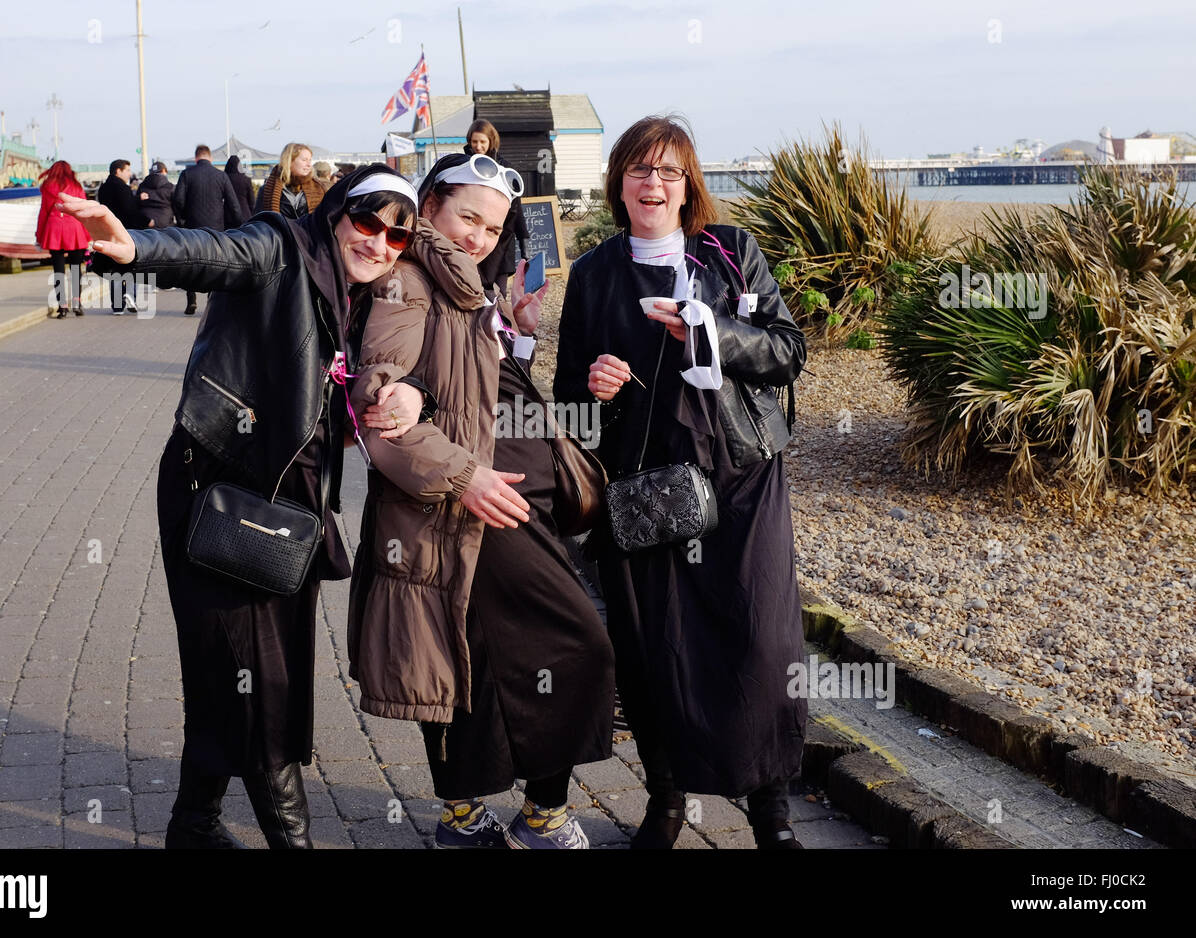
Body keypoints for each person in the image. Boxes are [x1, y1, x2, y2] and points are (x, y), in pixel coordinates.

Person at [60, 165, 429, 849]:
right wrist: (138, 247)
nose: (379, 243)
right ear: (339, 212)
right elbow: (217, 254)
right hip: (224, 495)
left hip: (287, 510)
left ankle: (193, 824)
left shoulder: (357, 296)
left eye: (396, 237)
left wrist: (413, 397)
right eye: (368, 222)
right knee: (262, 683)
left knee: (231, 670)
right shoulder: (283, 247)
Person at [552, 115, 809, 849]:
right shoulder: (597, 272)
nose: (653, 183)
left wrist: (712, 333)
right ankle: (665, 803)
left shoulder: (731, 254)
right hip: (644, 487)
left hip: (740, 476)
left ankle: (773, 814)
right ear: (619, 184)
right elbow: (570, 391)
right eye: (639, 169)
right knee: (651, 646)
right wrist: (594, 386)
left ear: (688, 183)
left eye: (668, 171)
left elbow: (788, 352)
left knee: (761, 641)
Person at [347, 152, 615, 850]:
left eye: (493, 229)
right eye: (468, 217)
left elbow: (470, 391)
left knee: (474, 654)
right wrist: (467, 476)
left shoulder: (464, 283)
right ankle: (545, 816)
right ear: (428, 207)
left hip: (507, 504)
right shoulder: (408, 282)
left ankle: (462, 815)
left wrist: (517, 336)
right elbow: (380, 412)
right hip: (476, 511)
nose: (479, 237)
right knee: (577, 639)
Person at [171, 144, 243, 315]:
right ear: (210, 157)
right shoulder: (221, 175)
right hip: (216, 228)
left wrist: (182, 220)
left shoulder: (187, 174)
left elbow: (178, 200)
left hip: (191, 227)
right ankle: (212, 300)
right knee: (214, 263)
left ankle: (191, 300)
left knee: (190, 263)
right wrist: (239, 225)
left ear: (196, 158)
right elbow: (233, 204)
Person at [464, 119, 529, 296]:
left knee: (498, 296)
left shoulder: (506, 169)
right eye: (474, 141)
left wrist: (525, 245)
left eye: (482, 142)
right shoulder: (463, 166)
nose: (478, 146)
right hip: (472, 238)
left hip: (501, 240)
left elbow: (517, 209)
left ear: (491, 141)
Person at [96, 159, 152, 314]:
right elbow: (129, 210)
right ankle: (131, 295)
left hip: (109, 233)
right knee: (132, 264)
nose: (129, 173)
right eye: (127, 170)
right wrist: (147, 221)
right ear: (118, 171)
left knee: (114, 268)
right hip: (126, 232)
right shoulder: (122, 188)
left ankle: (117, 305)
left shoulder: (103, 188)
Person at [34, 160, 88, 319]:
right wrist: (88, 236)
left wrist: (39, 236)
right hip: (74, 228)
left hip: (54, 227)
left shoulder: (47, 187)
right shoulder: (76, 186)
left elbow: (43, 213)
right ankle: (77, 303)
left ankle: (62, 306)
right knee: (76, 268)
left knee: (58, 269)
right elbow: (83, 210)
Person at [256, 143, 327, 220]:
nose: (309, 165)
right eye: (304, 160)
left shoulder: (319, 189)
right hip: (279, 232)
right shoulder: (267, 190)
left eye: (310, 160)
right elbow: (257, 222)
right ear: (289, 161)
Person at [138, 161, 176, 230]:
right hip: (165, 223)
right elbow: (177, 205)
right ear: (164, 170)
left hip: (146, 223)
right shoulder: (170, 187)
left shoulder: (142, 185)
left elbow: (137, 203)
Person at [224, 155, 255, 222]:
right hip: (245, 214)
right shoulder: (246, 178)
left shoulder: (225, 178)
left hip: (228, 215)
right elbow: (251, 200)